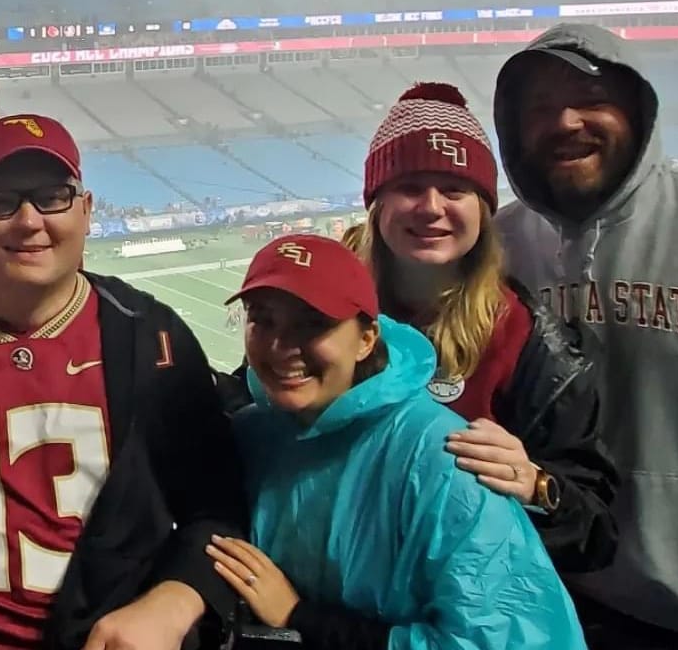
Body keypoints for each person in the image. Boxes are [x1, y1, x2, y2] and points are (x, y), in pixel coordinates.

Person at [0, 115, 247, 650]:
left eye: (53, 196)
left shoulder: (151, 339)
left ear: (87, 209)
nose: (29, 221)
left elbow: (217, 508)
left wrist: (170, 604)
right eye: (3, 201)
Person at [216, 233, 586, 649]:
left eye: (311, 323)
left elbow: (494, 640)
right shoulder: (252, 436)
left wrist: (299, 617)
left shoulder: (443, 458)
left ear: (366, 339)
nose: (281, 346)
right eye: (262, 319)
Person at [493, 22, 678, 646]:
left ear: (637, 110)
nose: (566, 121)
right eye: (540, 108)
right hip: (550, 598)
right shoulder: (496, 248)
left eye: (591, 99)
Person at [356, 81, 618, 571]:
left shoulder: (529, 340)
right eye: (410, 187)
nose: (431, 207)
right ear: (378, 204)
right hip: (321, 603)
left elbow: (595, 529)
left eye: (454, 189)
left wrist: (537, 485)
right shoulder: (323, 308)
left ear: (483, 210)